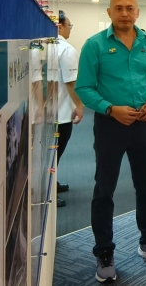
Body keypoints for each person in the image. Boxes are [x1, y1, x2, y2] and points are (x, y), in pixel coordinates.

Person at [74, 0, 146, 283]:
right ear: (109, 12)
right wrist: (110, 108)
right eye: (119, 8)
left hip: (144, 125)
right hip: (110, 125)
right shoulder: (94, 45)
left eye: (130, 8)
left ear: (138, 12)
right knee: (104, 189)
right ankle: (104, 251)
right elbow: (84, 88)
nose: (125, 13)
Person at [54, 11, 84, 208]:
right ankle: (46, 191)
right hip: (61, 113)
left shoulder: (39, 45)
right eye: (69, 25)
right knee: (53, 155)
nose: (69, 29)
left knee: (48, 155)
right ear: (60, 26)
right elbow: (71, 83)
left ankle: (50, 184)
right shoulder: (66, 49)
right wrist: (80, 106)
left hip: (43, 112)